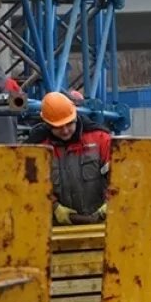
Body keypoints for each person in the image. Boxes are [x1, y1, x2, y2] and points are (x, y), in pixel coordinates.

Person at [36, 92, 112, 225]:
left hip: (102, 224)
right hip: (58, 228)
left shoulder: (100, 139)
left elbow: (119, 178)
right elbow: (34, 186)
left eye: (69, 124)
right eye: (58, 127)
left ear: (75, 116)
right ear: (47, 124)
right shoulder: (39, 148)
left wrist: (111, 202)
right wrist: (54, 206)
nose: (65, 131)